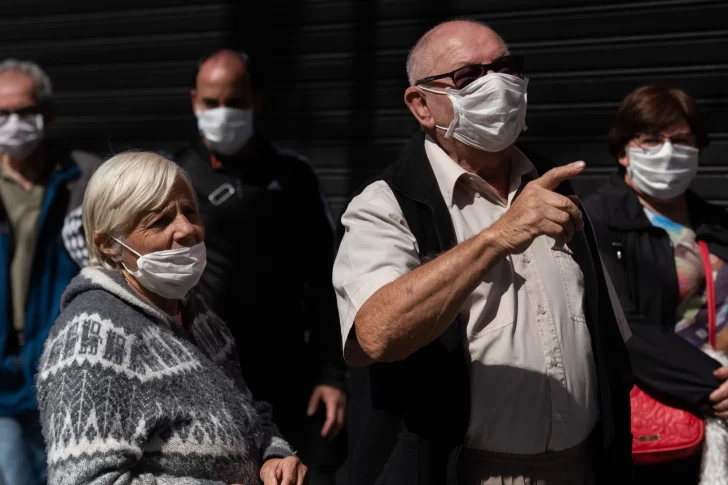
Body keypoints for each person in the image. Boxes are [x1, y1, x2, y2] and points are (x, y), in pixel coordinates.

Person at [332, 20, 633, 485]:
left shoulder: (553, 185)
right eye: (469, 76)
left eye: (505, 68)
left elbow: (609, 337)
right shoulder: (386, 203)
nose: (498, 85)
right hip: (465, 472)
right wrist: (496, 237)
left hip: (580, 468)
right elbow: (376, 334)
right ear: (422, 105)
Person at [36, 152, 307, 485]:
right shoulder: (91, 336)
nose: (187, 229)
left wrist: (274, 456)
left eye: (190, 212)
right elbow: (85, 480)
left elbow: (247, 416)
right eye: (160, 220)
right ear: (109, 244)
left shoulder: (199, 317)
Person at [173, 49, 348, 483]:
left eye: (235, 102)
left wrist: (332, 373)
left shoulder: (294, 176)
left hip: (289, 376)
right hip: (204, 373)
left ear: (258, 100)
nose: (222, 113)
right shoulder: (175, 174)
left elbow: (328, 276)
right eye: (211, 103)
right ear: (194, 102)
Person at [583, 85, 728, 484]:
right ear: (623, 152)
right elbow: (623, 325)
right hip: (666, 415)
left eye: (681, 140)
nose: (668, 152)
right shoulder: (597, 221)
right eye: (651, 140)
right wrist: (713, 388)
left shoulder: (715, 222)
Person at [0, 59, 101, 485]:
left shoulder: (85, 179)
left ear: (49, 112)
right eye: (2, 114)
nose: (14, 124)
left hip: (69, 374)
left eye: (25, 111)